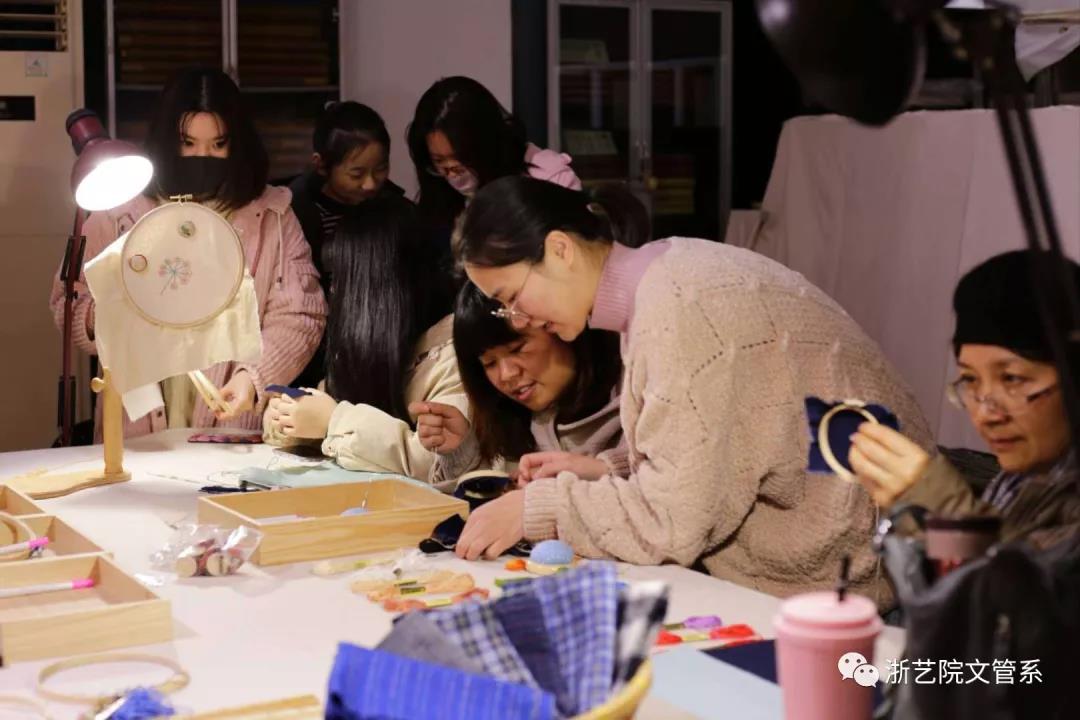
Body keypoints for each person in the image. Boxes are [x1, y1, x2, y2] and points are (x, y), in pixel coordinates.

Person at [449, 176, 933, 605]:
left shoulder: (676, 307)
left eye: (512, 299)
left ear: (560, 249)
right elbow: (728, 442)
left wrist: (537, 509)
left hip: (855, 558)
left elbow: (672, 522)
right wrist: (608, 468)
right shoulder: (666, 272)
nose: (519, 320)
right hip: (871, 530)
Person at [49, 68, 326, 438]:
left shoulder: (272, 215)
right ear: (168, 140)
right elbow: (68, 302)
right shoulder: (121, 209)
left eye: (218, 144)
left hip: (231, 430)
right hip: (134, 434)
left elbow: (300, 314)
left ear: (238, 143)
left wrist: (253, 377)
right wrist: (113, 314)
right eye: (189, 143)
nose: (202, 156)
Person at [851, 251, 1080, 550]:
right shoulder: (1017, 483)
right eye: (971, 380)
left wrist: (944, 509)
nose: (986, 414)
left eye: (1012, 379)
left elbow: (1032, 579)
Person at [263, 197, 468, 488]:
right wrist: (287, 418)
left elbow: (438, 464)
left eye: (339, 279)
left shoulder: (454, 356)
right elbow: (323, 406)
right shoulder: (367, 349)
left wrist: (334, 421)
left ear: (373, 288)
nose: (333, 292)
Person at [414, 283, 626, 485]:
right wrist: (461, 452)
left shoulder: (634, 394)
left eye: (517, 349)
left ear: (558, 323)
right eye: (489, 363)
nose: (507, 374)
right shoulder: (514, 420)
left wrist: (604, 471)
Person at [288, 101, 406, 388]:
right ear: (321, 164)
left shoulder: (397, 210)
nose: (370, 184)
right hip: (315, 354)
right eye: (356, 174)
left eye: (381, 169)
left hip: (387, 347)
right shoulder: (295, 217)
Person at [406, 76, 581, 260]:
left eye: (461, 160)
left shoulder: (549, 179)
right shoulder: (438, 193)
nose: (453, 175)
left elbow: (577, 258)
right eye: (439, 162)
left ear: (488, 143)